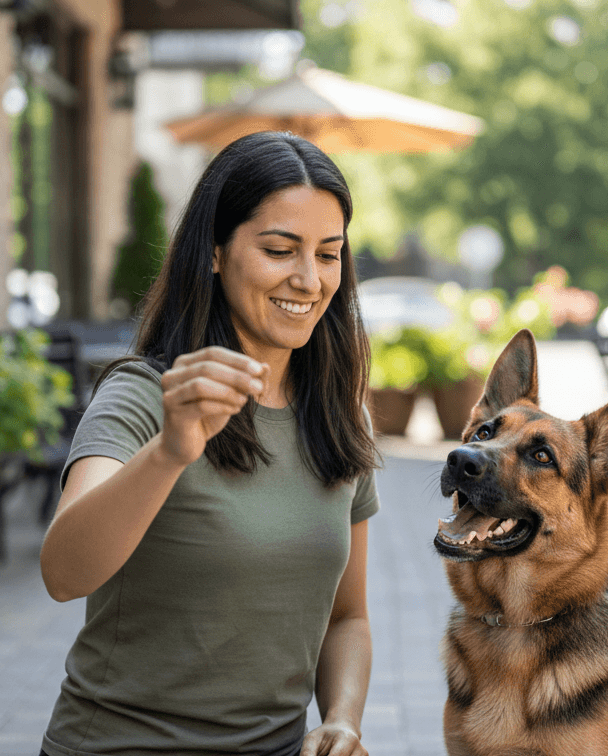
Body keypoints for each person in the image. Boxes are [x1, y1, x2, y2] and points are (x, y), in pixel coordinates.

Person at [38, 131, 379, 756]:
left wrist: (343, 721)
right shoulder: (145, 396)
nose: (309, 279)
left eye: (329, 254)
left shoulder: (338, 413)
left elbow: (347, 617)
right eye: (280, 250)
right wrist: (171, 449)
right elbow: (64, 573)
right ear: (216, 252)